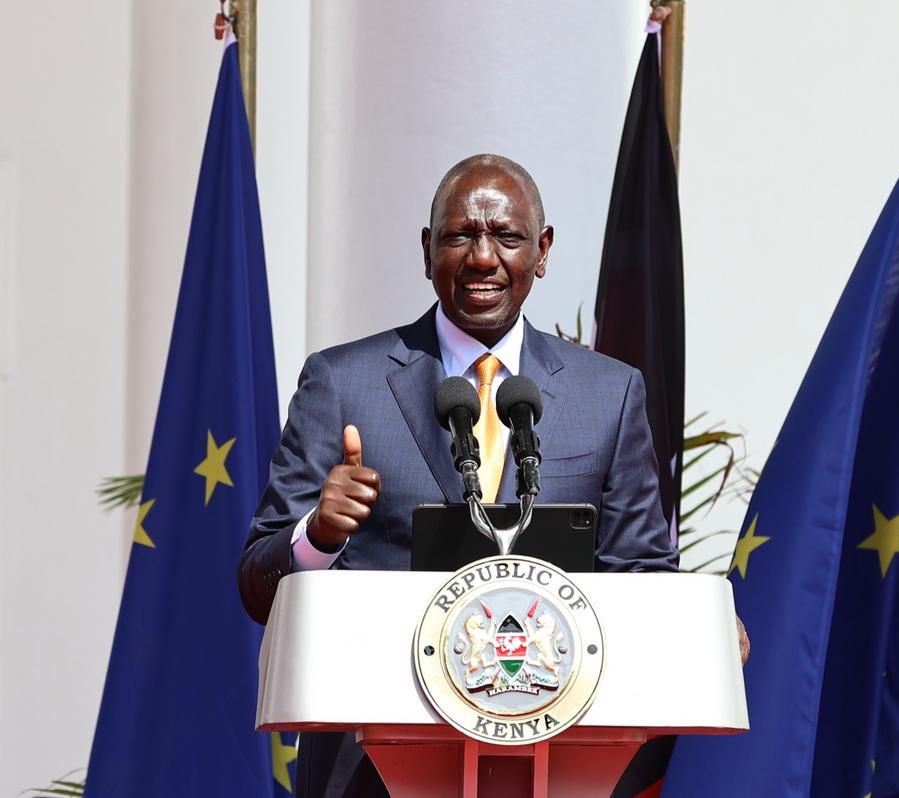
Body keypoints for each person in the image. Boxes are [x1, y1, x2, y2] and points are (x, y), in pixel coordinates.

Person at [238, 154, 730, 796]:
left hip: (554, 765)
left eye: (506, 236)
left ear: (543, 250)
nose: (482, 256)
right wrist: (318, 535)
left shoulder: (607, 394)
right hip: (372, 770)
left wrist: (703, 625)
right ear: (427, 248)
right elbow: (255, 583)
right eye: (460, 235)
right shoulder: (342, 383)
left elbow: (640, 574)